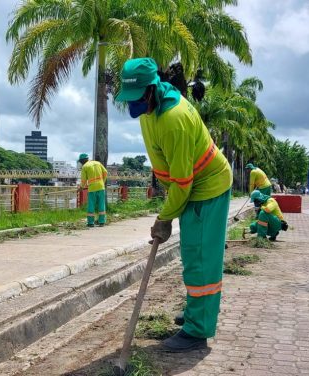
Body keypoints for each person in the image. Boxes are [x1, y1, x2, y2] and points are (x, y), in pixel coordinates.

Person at [115, 57, 232, 352]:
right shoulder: (150, 110)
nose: (133, 105)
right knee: (192, 254)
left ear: (152, 89)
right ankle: (197, 312)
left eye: (137, 97)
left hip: (207, 188)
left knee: (202, 260)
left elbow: (183, 182)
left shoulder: (173, 119)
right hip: (189, 189)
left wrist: (164, 218)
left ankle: (198, 330)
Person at [78, 153, 108, 227]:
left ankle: (90, 223)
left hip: (92, 188)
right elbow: (105, 172)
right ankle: (102, 222)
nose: (81, 163)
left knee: (91, 205)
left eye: (81, 161)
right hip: (101, 187)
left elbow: (83, 180)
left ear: (83, 160)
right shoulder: (98, 163)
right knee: (101, 204)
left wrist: (81, 187)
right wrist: (102, 182)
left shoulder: (85, 167)